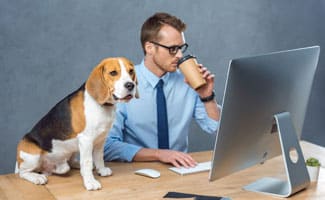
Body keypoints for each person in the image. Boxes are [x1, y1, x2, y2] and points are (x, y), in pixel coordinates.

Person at [104, 12, 220, 168]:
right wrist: (159, 154)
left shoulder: (187, 81)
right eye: (172, 49)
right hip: (135, 173)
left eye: (181, 48)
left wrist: (207, 97)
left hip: (180, 171)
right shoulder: (122, 85)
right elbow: (107, 147)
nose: (179, 55)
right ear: (150, 48)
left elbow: (216, 130)